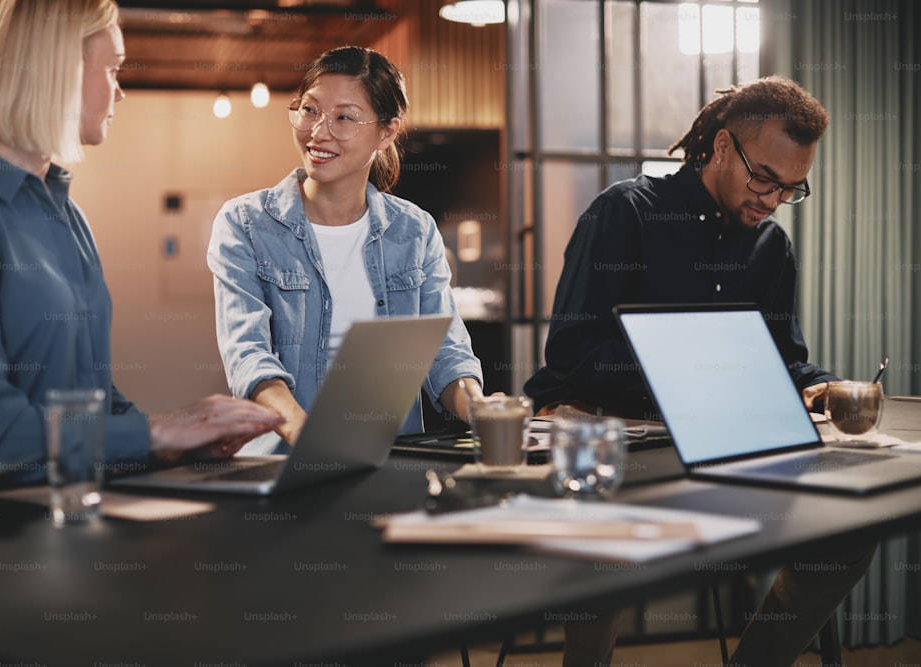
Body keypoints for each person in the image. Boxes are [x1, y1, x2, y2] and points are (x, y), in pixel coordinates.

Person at [525, 77, 875, 665]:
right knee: (608, 546)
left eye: (790, 188)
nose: (770, 200)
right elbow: (571, 353)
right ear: (718, 147)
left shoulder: (770, 247)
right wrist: (694, 379)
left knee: (849, 535)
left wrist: (816, 384)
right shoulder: (625, 213)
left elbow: (782, 356)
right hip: (612, 436)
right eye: (763, 178)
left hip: (719, 444)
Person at [0, 0, 282, 491]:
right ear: (60, 69)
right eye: (112, 69)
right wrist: (154, 432)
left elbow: (92, 397)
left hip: (71, 512)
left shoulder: (66, 214)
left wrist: (180, 439)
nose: (120, 91)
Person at [208, 46, 483, 452]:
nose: (319, 132)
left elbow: (445, 352)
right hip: (282, 460)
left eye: (344, 118)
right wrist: (310, 436)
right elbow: (248, 355)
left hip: (391, 459)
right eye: (310, 110)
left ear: (387, 132)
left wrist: (482, 410)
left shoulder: (414, 230)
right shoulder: (245, 223)